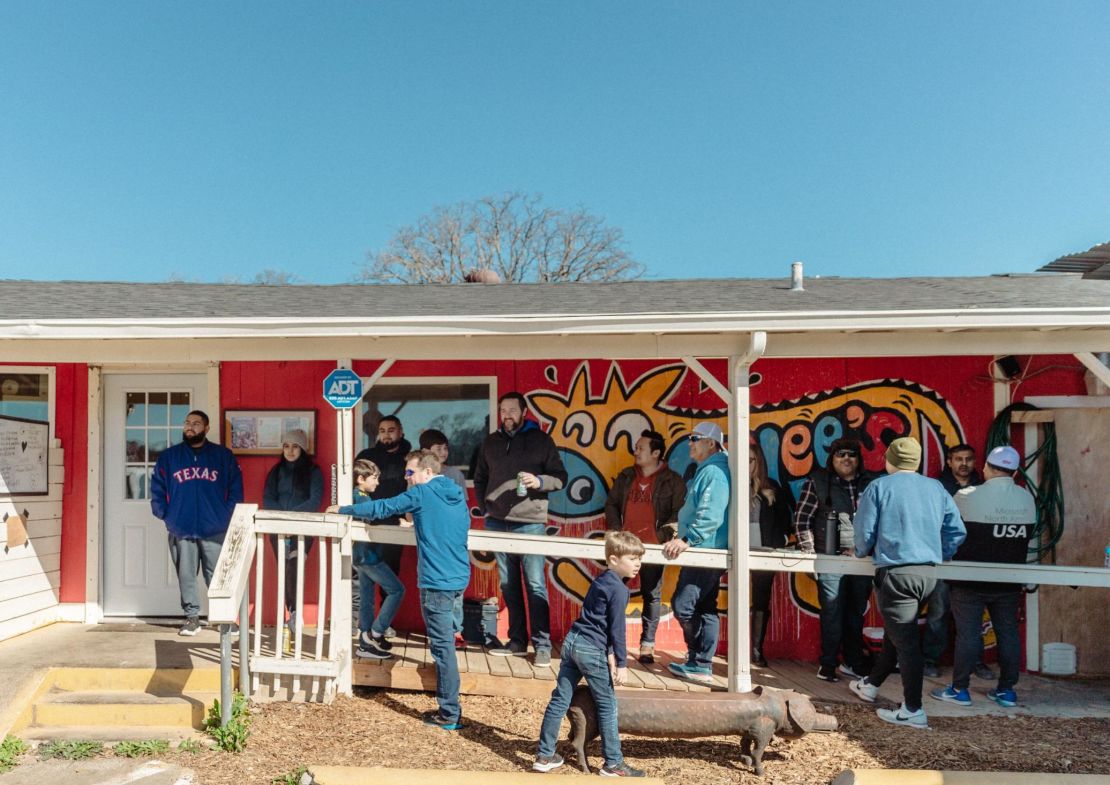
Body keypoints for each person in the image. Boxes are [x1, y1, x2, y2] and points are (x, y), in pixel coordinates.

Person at [328, 449, 470, 730]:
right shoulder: (456, 495)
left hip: (436, 581)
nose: (407, 477)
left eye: (410, 472)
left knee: (442, 651)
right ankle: (449, 709)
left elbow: (382, 507)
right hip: (457, 577)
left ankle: (449, 714)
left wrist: (344, 509)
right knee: (445, 648)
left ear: (427, 472)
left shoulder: (423, 494)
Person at [848, 437, 966, 730]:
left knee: (907, 644)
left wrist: (861, 551)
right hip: (928, 574)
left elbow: (863, 533)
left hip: (896, 573)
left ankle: (913, 710)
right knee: (899, 632)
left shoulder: (878, 487)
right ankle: (871, 685)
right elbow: (956, 530)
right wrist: (943, 552)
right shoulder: (936, 487)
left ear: (890, 460)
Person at [532, 531, 646, 778]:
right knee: (607, 705)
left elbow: (596, 619)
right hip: (590, 649)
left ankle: (544, 755)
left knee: (559, 699)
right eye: (632, 558)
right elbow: (616, 628)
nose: (637, 563)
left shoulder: (603, 579)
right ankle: (613, 764)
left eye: (639, 558)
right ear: (613, 559)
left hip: (573, 642)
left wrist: (609, 654)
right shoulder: (619, 589)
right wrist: (622, 663)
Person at [931, 445, 1034, 709]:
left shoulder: (966, 495)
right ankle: (1007, 691)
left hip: (970, 580)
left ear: (987, 467)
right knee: (1008, 633)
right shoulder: (1026, 498)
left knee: (968, 634)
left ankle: (959, 690)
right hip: (1009, 580)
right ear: (1013, 472)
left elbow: (947, 532)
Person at [473, 391, 568, 667]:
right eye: (503, 411)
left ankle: (541, 646)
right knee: (508, 584)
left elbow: (561, 477)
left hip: (530, 523)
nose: (507, 415)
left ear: (524, 412)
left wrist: (539, 481)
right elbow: (480, 478)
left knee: (535, 583)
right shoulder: (490, 442)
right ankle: (516, 641)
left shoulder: (541, 440)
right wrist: (486, 506)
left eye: (512, 410)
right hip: (497, 522)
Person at [150, 410, 244, 636]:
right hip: (181, 527)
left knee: (218, 575)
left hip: (215, 527)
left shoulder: (222, 456)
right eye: (187, 423)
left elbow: (235, 488)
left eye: (196, 423)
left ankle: (224, 620)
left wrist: (225, 514)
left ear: (206, 428)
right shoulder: (169, 457)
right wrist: (166, 514)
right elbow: (157, 488)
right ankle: (192, 619)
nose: (190, 427)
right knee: (186, 575)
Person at [793, 437, 877, 682]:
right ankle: (828, 664)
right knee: (831, 612)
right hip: (829, 558)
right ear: (832, 458)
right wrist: (810, 552)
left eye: (852, 454)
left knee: (855, 613)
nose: (846, 459)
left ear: (859, 459)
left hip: (862, 558)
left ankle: (853, 661)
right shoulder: (818, 481)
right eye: (841, 454)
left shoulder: (870, 483)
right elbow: (802, 519)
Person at [603, 429, 685, 665]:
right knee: (612, 592)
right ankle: (606, 641)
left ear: (656, 453)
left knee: (652, 594)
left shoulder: (673, 480)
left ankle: (647, 646)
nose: (635, 451)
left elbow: (678, 514)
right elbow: (611, 504)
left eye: (640, 447)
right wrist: (616, 531)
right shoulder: (627, 476)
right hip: (624, 547)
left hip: (654, 548)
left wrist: (661, 537)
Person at [664, 422, 730, 685]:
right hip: (705, 549)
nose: (690, 443)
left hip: (705, 550)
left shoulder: (714, 471)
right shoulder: (710, 469)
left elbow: (710, 514)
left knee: (683, 605)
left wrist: (688, 539)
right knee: (705, 606)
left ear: (711, 444)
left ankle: (700, 660)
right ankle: (698, 663)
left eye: (695, 438)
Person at [924, 443, 993, 680]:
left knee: (973, 615)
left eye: (969, 459)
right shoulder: (937, 488)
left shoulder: (984, 488)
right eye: (958, 459)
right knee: (938, 611)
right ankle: (931, 660)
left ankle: (976, 661)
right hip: (943, 558)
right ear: (949, 462)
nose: (964, 464)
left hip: (973, 559)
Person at [339, 459, 406, 660]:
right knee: (397, 590)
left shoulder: (358, 496)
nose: (377, 482)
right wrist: (397, 520)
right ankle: (375, 632)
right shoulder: (361, 497)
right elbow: (373, 515)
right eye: (374, 478)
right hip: (369, 557)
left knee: (367, 599)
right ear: (361, 479)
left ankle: (364, 642)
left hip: (360, 557)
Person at [261, 428, 324, 639]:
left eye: (295, 446)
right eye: (286, 446)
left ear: (303, 449)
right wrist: (282, 520)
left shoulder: (313, 472)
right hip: (278, 529)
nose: (290, 450)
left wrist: (292, 519)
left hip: (302, 529)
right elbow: (268, 498)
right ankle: (294, 612)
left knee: (294, 567)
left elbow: (314, 501)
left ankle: (294, 611)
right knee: (285, 569)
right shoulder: (276, 471)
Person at [354, 415, 412, 634]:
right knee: (364, 577)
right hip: (368, 524)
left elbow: (413, 489)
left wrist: (408, 517)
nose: (387, 434)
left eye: (391, 430)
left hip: (395, 524)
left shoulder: (410, 458)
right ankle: (362, 624)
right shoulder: (367, 457)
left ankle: (385, 624)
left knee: (390, 574)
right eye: (383, 430)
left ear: (401, 431)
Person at [419, 428, 470, 643]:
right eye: (438, 448)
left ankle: (455, 630)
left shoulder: (455, 474)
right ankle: (435, 631)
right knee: (430, 586)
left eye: (446, 448)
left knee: (455, 587)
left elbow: (463, 508)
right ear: (425, 451)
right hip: (430, 539)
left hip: (451, 539)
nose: (443, 452)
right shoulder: (419, 474)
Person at [748, 440, 795, 667]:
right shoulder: (731, 484)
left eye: (750, 460)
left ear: (759, 462)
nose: (746, 465)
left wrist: (781, 540)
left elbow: (787, 520)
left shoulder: (772, 486)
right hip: (735, 549)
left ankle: (757, 650)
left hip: (764, 551)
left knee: (761, 599)